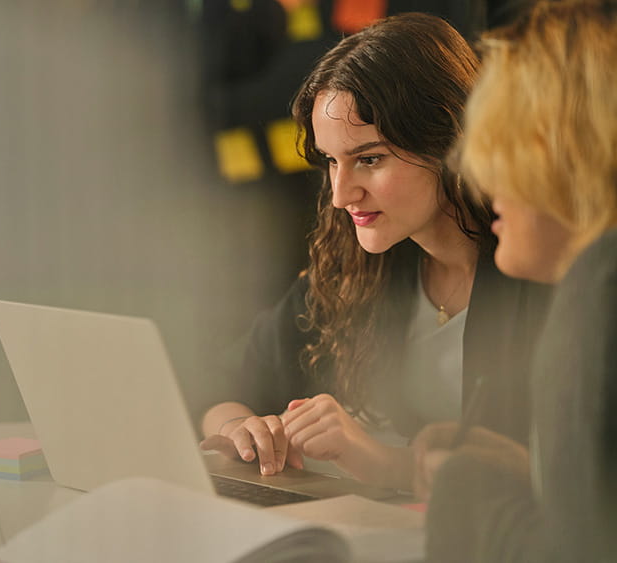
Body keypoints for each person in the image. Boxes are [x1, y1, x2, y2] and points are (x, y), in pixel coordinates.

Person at [200, 12, 550, 489]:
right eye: (331, 161)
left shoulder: (538, 271)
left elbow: (556, 484)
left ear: (450, 141)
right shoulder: (353, 265)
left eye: (369, 159)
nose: (342, 195)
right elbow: (219, 387)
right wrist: (239, 430)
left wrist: (381, 461)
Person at [412, 1, 617, 560]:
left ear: (563, 150)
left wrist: (467, 490)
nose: (480, 175)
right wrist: (537, 473)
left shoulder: (601, 286)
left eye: (500, 144)